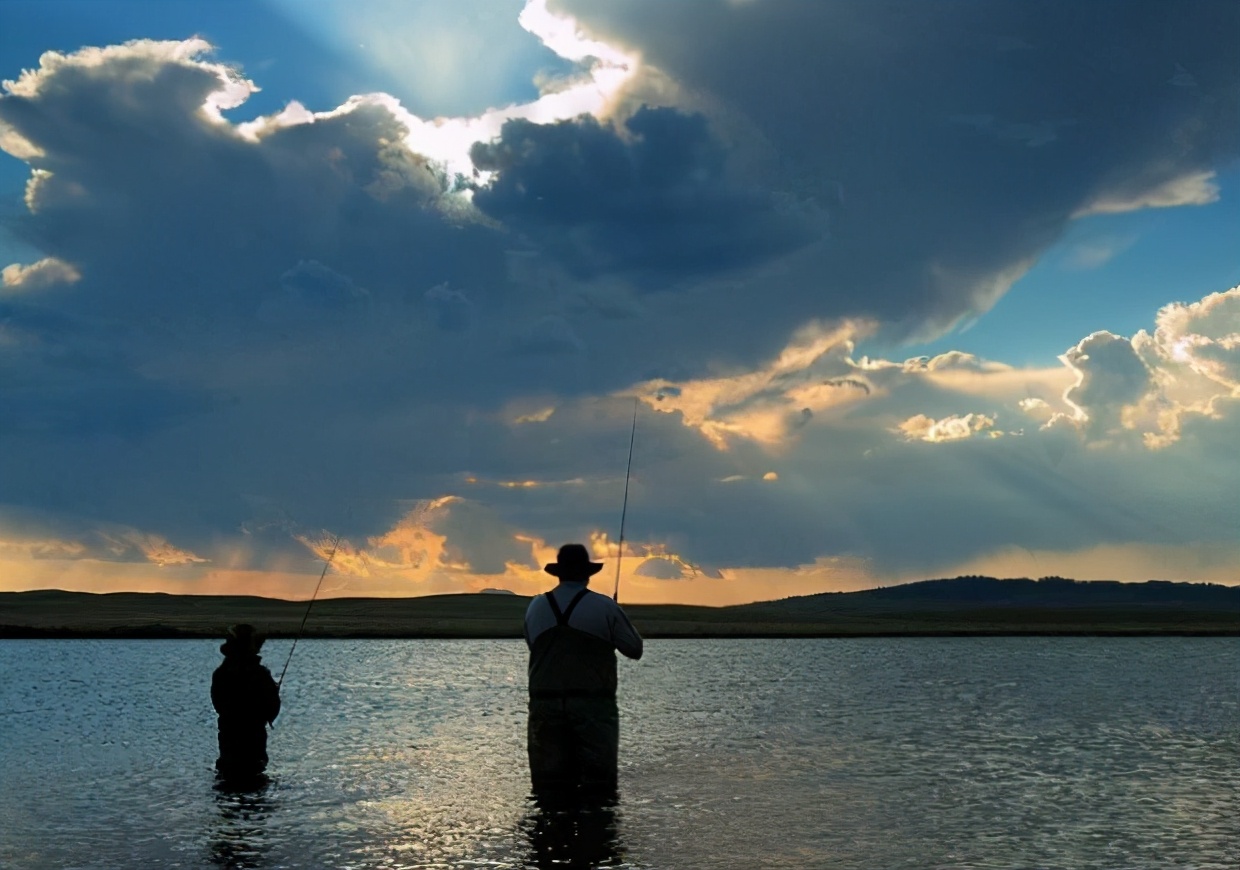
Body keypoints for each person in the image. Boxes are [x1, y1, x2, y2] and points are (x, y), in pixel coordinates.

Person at [524, 543, 643, 800]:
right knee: (599, 789)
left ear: (558, 573)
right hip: (593, 711)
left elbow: (533, 645)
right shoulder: (604, 607)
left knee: (548, 790)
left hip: (544, 709)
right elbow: (634, 649)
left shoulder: (535, 607)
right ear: (587, 574)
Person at [211, 623, 281, 783]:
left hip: (229, 745)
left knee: (228, 781)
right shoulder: (261, 674)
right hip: (254, 746)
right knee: (254, 780)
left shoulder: (221, 674)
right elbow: (272, 711)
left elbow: (218, 705)